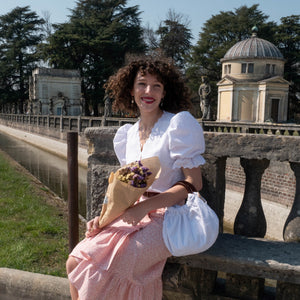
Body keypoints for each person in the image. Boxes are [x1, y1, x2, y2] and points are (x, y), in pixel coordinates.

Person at [66, 55, 206, 300]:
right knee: (75, 261)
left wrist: (146, 208)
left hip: (168, 216)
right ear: (131, 90)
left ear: (164, 92)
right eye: (142, 84)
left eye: (156, 86)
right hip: (131, 213)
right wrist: (104, 217)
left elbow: (194, 183)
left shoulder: (178, 125)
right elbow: (126, 188)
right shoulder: (127, 134)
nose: (148, 91)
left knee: (113, 270)